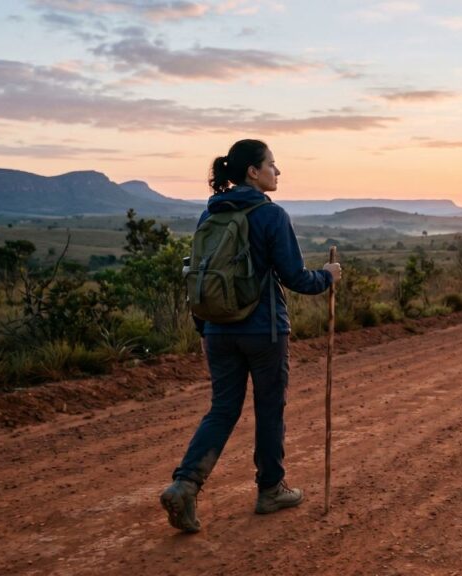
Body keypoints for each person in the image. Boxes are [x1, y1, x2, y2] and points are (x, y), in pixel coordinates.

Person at [160, 139, 341, 533]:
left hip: (217, 330)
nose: (278, 172)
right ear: (253, 173)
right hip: (264, 331)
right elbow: (295, 278)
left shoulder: (209, 215)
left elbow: (202, 278)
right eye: (272, 165)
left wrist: (206, 329)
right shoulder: (271, 215)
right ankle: (271, 489)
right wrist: (327, 278)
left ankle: (185, 484)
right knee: (269, 408)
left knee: (222, 409)